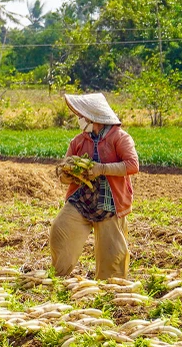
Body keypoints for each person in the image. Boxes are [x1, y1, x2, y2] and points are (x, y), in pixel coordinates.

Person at [50, 93, 139, 280]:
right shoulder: (78, 141)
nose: (80, 120)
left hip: (109, 203)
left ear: (94, 117)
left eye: (82, 116)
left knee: (112, 254)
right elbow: (64, 176)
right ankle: (59, 276)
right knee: (60, 230)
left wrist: (101, 169)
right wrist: (68, 175)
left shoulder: (120, 138)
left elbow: (132, 165)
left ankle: (110, 290)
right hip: (81, 199)